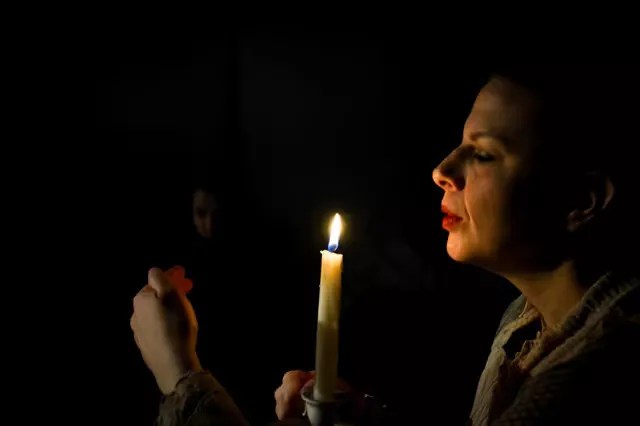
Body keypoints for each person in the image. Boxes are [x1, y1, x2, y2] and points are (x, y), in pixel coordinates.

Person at [130, 65, 640, 425]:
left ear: (582, 200)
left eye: (483, 154)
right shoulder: (531, 323)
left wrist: (179, 375)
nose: (443, 170)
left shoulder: (590, 379)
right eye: (460, 144)